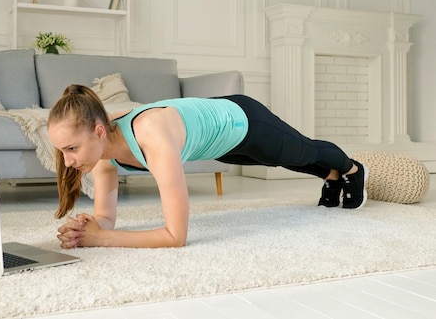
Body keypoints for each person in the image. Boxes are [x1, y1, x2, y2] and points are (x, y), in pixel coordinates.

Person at [47, 84, 368, 249]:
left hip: (244, 121)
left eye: (72, 148)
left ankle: (352, 170)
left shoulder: (151, 136)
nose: (68, 161)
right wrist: (89, 227)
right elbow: (106, 218)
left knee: (302, 151)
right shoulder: (104, 155)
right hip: (221, 143)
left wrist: (102, 240)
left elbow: (175, 235)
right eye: (62, 151)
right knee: (280, 160)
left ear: (99, 131)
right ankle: (332, 176)